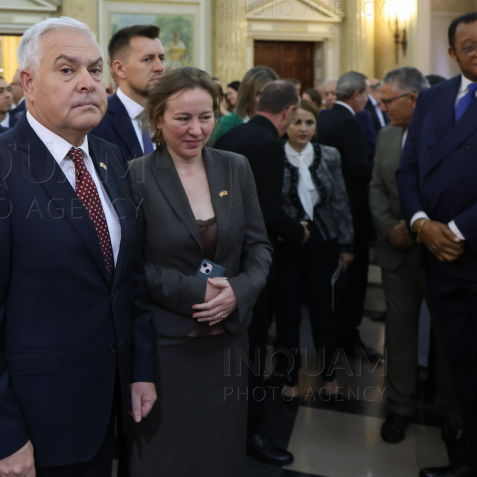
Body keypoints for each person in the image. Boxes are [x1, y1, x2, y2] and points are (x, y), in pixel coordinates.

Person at [0, 17, 157, 477]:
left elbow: (127, 280)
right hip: (30, 424)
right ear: (29, 83)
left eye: (95, 71)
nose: (87, 84)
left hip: (104, 412)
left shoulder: (109, 157)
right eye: (67, 70)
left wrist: (141, 368)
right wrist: (0, 436)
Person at [128, 68, 270, 477]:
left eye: (205, 117)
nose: (196, 129)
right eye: (182, 118)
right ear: (158, 118)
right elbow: (130, 266)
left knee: (219, 456)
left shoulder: (235, 167)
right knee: (165, 457)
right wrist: (196, 291)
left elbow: (259, 246)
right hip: (167, 346)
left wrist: (238, 292)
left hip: (227, 344)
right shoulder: (135, 174)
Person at [398, 12, 477, 477]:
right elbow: (408, 170)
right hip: (440, 259)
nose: (476, 51)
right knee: (461, 366)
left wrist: (459, 230)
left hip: (469, 247)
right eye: (468, 45)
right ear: (452, 54)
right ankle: (465, 460)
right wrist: (421, 222)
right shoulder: (431, 99)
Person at [215, 80, 305, 467]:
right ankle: (251, 431)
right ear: (286, 112)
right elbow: (266, 215)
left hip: (223, 257)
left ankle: (229, 425)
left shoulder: (234, 132)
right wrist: (298, 230)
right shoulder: (268, 144)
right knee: (252, 351)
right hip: (253, 263)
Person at [372, 67, 462, 448]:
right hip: (397, 254)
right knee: (400, 332)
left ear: (414, 99)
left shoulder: (452, 134)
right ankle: (400, 406)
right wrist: (388, 226)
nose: (382, 107)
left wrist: (419, 229)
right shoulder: (388, 135)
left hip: (442, 252)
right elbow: (377, 185)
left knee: (449, 336)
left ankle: (450, 410)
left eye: (388, 101)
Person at [273, 99, 354, 401]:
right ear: (285, 124)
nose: (303, 128)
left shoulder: (329, 154)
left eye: (309, 122)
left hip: (323, 239)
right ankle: (289, 375)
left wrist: (347, 244)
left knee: (324, 310)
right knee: (287, 311)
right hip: (288, 241)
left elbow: (340, 201)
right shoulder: (275, 154)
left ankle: (329, 373)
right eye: (296, 122)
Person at [317, 71, 380, 361]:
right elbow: (359, 168)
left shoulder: (323, 117)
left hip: (324, 211)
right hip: (351, 211)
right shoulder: (350, 122)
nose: (366, 100)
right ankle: (348, 336)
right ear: (356, 95)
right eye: (365, 95)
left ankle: (332, 334)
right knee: (354, 279)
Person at [91, 25, 165, 161]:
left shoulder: (172, 117)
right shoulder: (96, 121)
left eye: (161, 58)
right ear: (119, 69)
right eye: (147, 59)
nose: (160, 67)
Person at [211, 66, 278, 141]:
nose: (267, 99)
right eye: (259, 94)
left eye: (271, 94)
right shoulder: (224, 126)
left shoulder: (281, 130)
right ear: (247, 95)